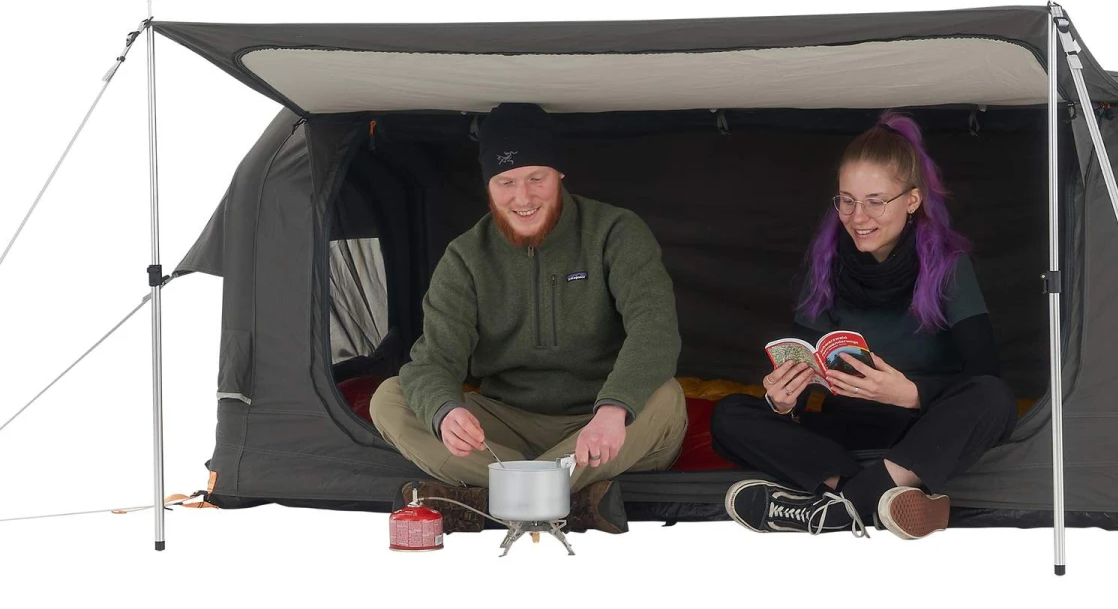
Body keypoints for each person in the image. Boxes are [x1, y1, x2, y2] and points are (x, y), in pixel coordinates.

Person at [370, 103, 687, 534]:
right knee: (391, 398)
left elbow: (656, 330)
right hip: (506, 426)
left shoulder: (615, 231)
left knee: (666, 397)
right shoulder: (465, 257)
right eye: (507, 182)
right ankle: (568, 500)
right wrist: (445, 413)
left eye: (536, 178)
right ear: (488, 185)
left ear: (559, 174)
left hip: (601, 423)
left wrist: (614, 410)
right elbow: (433, 361)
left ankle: (492, 498)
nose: (523, 198)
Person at [710, 112, 1016, 538]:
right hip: (846, 432)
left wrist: (909, 394)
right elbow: (801, 375)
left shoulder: (948, 266)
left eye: (876, 201)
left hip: (921, 429)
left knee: (994, 399)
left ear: (912, 200)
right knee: (730, 416)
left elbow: (984, 375)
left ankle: (837, 507)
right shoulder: (826, 264)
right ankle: (879, 494)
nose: (858, 216)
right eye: (847, 200)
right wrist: (783, 401)